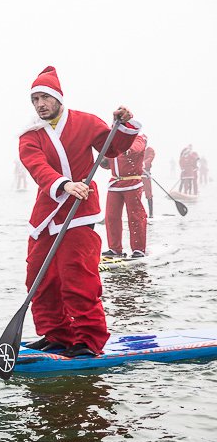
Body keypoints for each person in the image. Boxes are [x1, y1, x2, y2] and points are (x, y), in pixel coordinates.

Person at [20, 66, 142, 357]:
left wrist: (123, 123)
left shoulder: (85, 122)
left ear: (58, 98)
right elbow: (37, 167)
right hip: (46, 215)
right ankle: (57, 335)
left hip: (80, 212)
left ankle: (88, 339)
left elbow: (113, 148)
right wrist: (64, 184)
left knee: (78, 277)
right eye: (35, 99)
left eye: (44, 98)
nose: (40, 104)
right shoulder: (29, 135)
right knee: (38, 277)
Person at [101, 134, 148, 258]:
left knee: (135, 216)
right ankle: (115, 249)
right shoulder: (113, 141)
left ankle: (138, 249)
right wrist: (103, 160)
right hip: (115, 183)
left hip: (132, 183)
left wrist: (127, 149)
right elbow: (108, 163)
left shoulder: (137, 138)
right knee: (111, 216)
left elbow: (137, 147)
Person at [141, 144, 156, 218]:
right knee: (136, 194)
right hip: (136, 176)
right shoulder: (137, 149)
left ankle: (151, 214)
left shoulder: (149, 150)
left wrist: (142, 164)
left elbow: (150, 158)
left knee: (148, 194)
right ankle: (139, 212)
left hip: (145, 175)